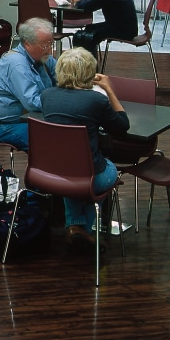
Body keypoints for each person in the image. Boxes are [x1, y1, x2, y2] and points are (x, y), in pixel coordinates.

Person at [40, 49, 130, 246]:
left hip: (55, 173)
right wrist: (109, 89)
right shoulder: (97, 100)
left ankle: (75, 226)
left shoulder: (46, 95)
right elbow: (122, 125)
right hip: (90, 177)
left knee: (72, 169)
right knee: (105, 170)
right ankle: (87, 229)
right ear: (89, 72)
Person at [0, 19, 57, 150]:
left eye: (51, 44)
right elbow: (32, 102)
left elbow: (64, 76)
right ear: (27, 44)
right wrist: (62, 102)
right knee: (52, 140)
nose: (49, 50)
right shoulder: (17, 64)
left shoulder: (42, 56)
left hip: (28, 118)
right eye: (45, 45)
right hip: (1, 125)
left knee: (67, 129)